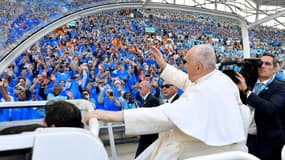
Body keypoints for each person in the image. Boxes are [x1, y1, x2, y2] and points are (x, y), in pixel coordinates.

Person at [85, 44, 247, 159]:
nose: (184, 66)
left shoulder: (204, 90)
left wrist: (109, 116)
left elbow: (165, 116)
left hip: (193, 152)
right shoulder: (219, 79)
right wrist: (163, 65)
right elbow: (187, 81)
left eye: (185, 62)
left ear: (198, 67)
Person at [236, 53, 285, 160]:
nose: (263, 66)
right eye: (260, 63)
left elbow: (270, 108)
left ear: (275, 69)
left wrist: (246, 91)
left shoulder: (281, 87)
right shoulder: (248, 82)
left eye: (267, 64)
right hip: (246, 136)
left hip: (269, 142)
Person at [135, 80, 160, 158]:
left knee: (140, 156)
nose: (138, 90)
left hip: (150, 135)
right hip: (147, 134)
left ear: (146, 88)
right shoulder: (146, 99)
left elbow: (148, 118)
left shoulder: (151, 99)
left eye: (140, 88)